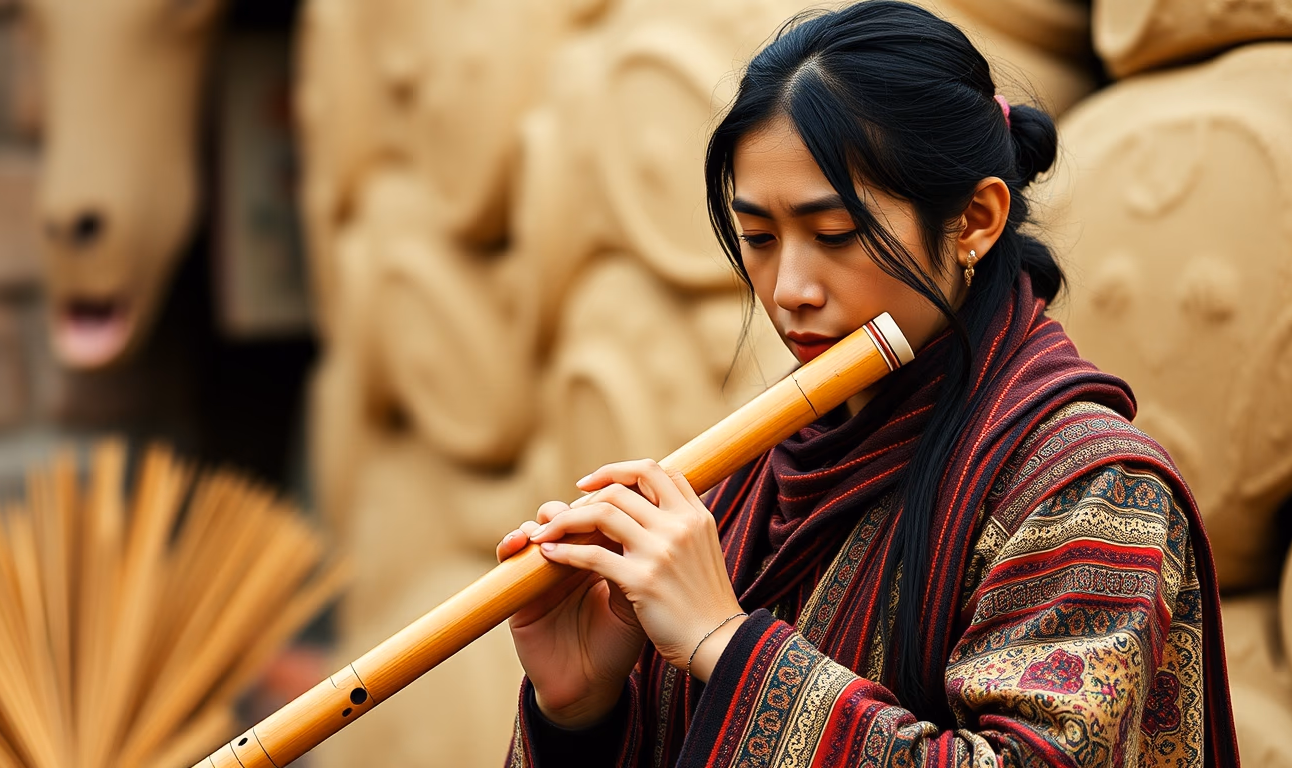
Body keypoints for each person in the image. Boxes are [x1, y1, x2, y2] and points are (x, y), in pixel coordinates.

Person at [496, 2, 1238, 765]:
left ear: (976, 220)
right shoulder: (751, 474)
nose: (788, 289)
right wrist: (584, 714)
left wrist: (724, 641)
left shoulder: (1093, 488)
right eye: (757, 237)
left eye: (834, 235)